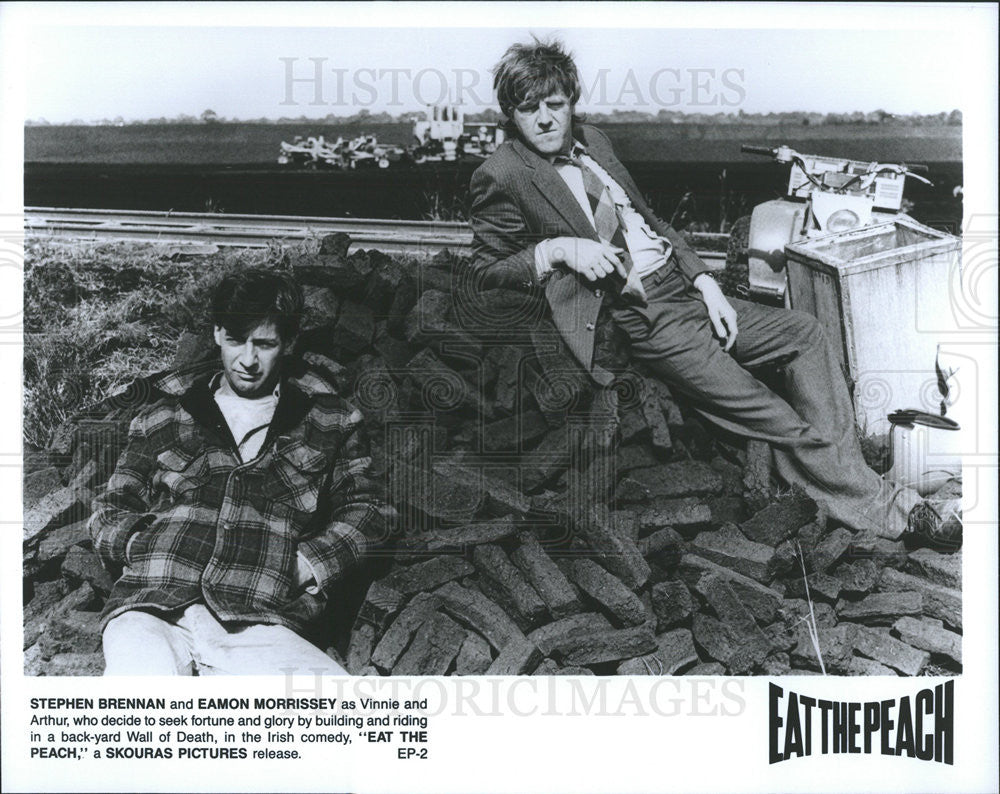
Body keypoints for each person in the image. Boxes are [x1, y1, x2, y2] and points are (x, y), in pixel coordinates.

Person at [468, 37, 949, 542]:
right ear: (510, 114)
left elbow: (649, 220)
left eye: (555, 104)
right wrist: (560, 250)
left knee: (806, 333)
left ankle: (836, 479)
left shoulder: (596, 142)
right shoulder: (501, 174)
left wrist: (706, 282)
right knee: (767, 410)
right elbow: (485, 271)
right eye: (528, 109)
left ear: (571, 104)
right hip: (646, 315)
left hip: (688, 291)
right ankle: (891, 512)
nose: (544, 119)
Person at [89, 268, 393, 675]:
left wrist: (307, 564)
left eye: (264, 344)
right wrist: (137, 546)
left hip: (259, 617)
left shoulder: (331, 420)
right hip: (152, 605)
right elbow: (111, 504)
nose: (247, 360)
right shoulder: (165, 412)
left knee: (336, 712)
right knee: (142, 702)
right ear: (216, 333)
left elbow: (371, 511)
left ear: (288, 342)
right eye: (235, 340)